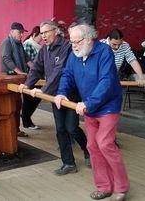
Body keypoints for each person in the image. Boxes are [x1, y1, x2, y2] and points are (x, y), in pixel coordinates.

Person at [55, 23, 129, 201]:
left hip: (107, 105)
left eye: (77, 42)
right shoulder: (75, 55)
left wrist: (89, 102)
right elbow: (67, 75)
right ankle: (104, 187)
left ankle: (121, 187)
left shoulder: (104, 52)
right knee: (92, 146)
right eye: (71, 42)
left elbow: (107, 81)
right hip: (89, 108)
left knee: (104, 143)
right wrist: (61, 93)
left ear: (88, 39)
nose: (73, 45)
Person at [19, 21, 90, 175]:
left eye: (46, 32)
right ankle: (68, 163)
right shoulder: (44, 49)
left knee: (72, 128)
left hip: (70, 95)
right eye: (42, 33)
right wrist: (27, 85)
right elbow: (36, 68)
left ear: (56, 31)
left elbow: (60, 71)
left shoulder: (66, 47)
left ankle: (88, 151)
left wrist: (43, 91)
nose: (43, 35)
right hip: (54, 97)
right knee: (60, 130)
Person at [1, 22, 32, 137]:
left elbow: (26, 58)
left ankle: (16, 129)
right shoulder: (7, 42)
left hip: (18, 80)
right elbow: (6, 58)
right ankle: (10, 130)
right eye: (20, 32)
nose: (22, 35)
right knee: (11, 105)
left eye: (22, 33)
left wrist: (34, 69)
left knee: (18, 105)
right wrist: (20, 72)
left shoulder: (19, 44)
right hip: (9, 79)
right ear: (12, 31)